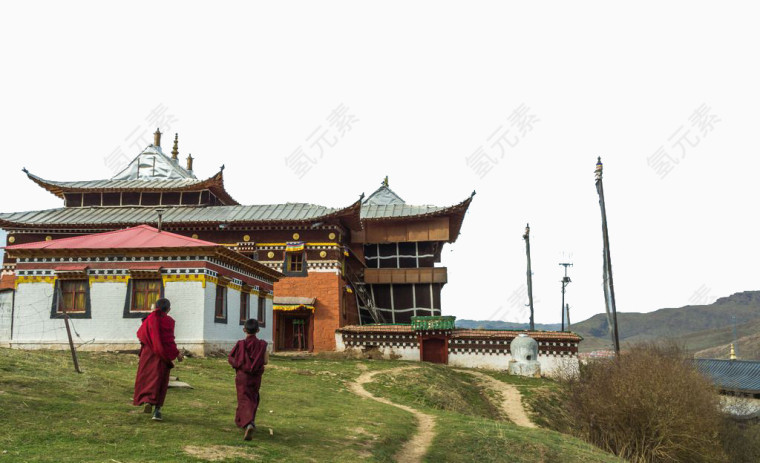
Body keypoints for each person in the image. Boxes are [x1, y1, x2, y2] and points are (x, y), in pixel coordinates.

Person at [133, 298, 183, 421]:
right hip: (162, 356)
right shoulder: (169, 321)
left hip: (148, 354)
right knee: (160, 380)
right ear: (169, 309)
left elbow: (141, 335)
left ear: (156, 307)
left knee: (146, 377)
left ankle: (147, 401)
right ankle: (157, 411)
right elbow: (169, 340)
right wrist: (177, 354)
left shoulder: (149, 319)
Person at [228, 318, 269, 441]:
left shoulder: (241, 344)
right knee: (253, 397)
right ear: (258, 330)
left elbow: (231, 358)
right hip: (256, 376)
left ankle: (248, 423)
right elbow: (265, 361)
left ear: (244, 329)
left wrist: (239, 364)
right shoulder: (262, 344)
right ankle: (243, 421)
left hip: (242, 376)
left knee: (244, 398)